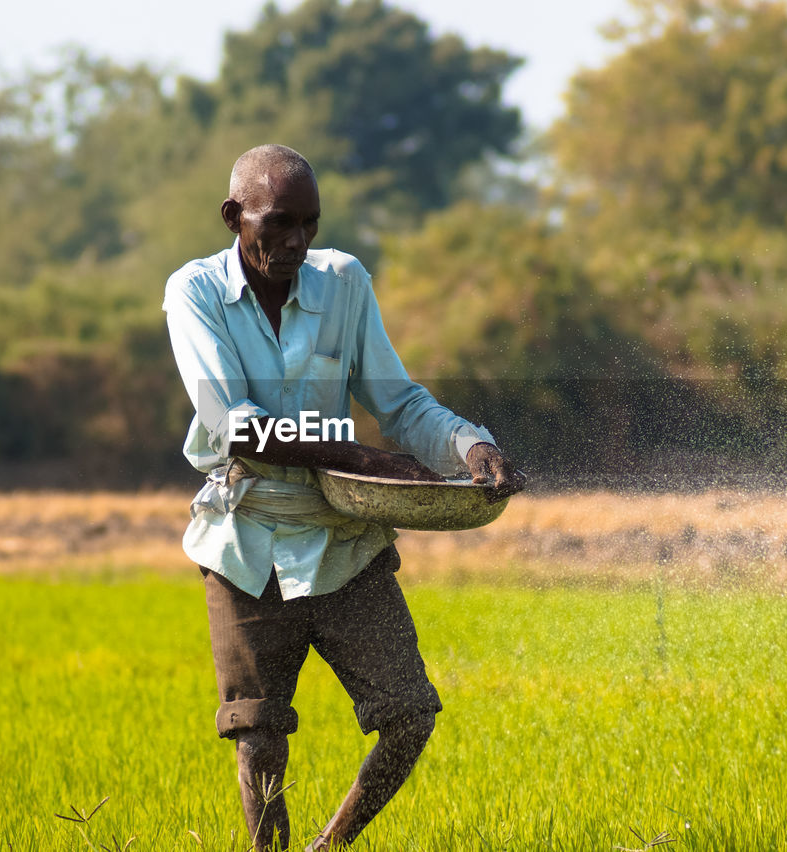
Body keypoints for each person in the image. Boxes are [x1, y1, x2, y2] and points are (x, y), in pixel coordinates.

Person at [163, 144, 525, 850]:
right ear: (234, 217)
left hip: (343, 540)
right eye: (278, 223)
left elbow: (400, 403)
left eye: (310, 224)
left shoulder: (344, 284)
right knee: (258, 733)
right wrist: (355, 454)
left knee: (411, 714)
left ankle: (329, 848)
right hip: (247, 543)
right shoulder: (196, 293)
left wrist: (469, 447)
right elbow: (232, 425)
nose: (296, 242)